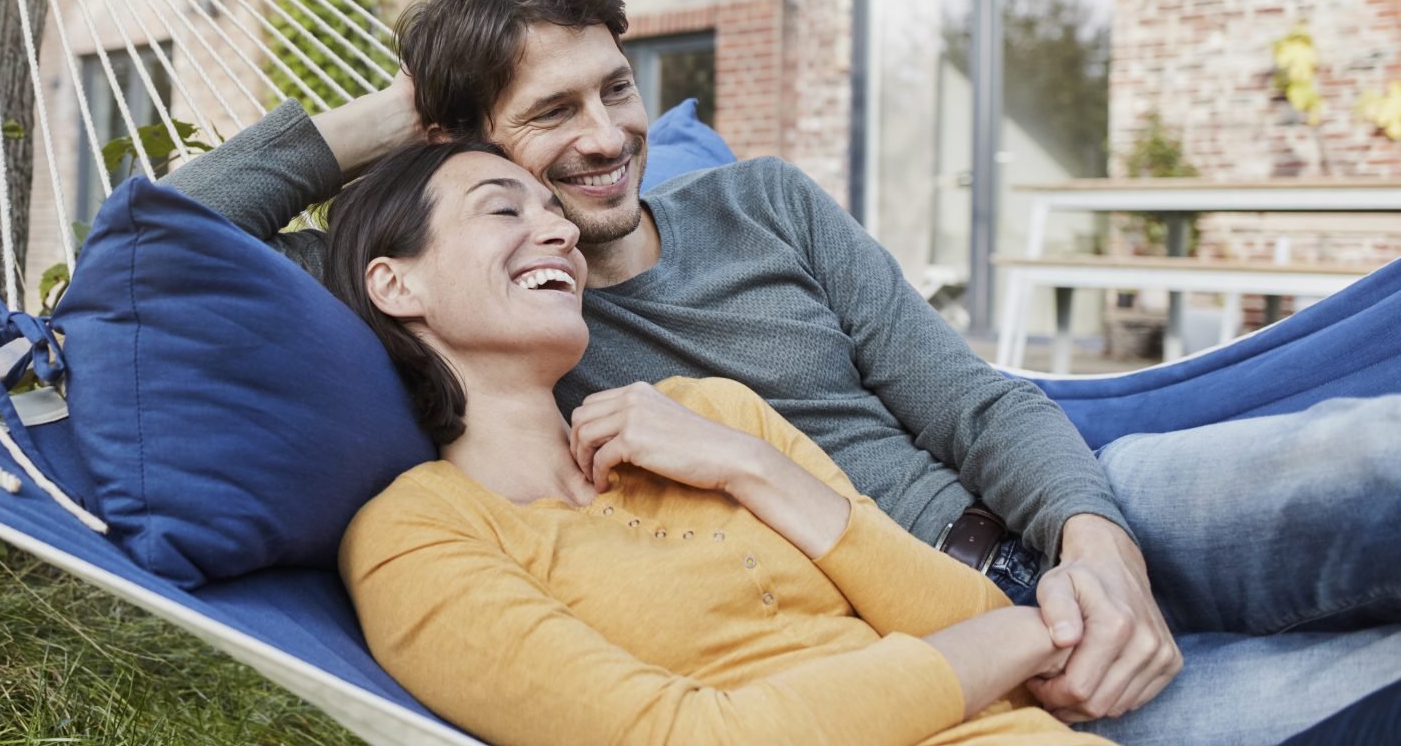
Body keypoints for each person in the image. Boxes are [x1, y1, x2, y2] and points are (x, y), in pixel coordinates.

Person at [164, 0, 1401, 744]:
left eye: (616, 88)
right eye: (549, 113)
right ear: (466, 152)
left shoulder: (765, 204)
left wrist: (1099, 548)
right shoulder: (501, 314)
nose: (605, 138)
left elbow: (972, 401)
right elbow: (174, 242)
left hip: (1061, 510)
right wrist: (403, 119)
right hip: (930, 654)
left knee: (1369, 459)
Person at [325, 138, 1104, 746]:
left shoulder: (708, 415)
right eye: (504, 211)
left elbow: (970, 628)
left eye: (553, 212)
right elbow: (688, 738)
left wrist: (750, 466)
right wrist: (1026, 630)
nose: (560, 230)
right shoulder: (417, 535)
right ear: (395, 284)